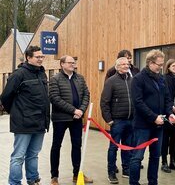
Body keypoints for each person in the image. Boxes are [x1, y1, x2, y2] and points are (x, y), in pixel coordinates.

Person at [1, 46, 50, 185]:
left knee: (33, 154)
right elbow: (5, 97)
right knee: (18, 156)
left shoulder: (42, 73)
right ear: (28, 58)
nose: (41, 59)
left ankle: (33, 179)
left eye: (42, 57)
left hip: (40, 122)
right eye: (37, 57)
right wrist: (16, 112)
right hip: (23, 123)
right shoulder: (19, 74)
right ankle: (15, 182)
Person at [129, 50, 175, 185]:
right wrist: (153, 117)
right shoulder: (138, 79)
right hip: (142, 126)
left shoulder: (161, 78)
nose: (161, 67)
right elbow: (138, 102)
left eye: (162, 64)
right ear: (150, 63)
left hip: (159, 125)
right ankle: (134, 182)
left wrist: (170, 113)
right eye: (159, 64)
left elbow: (167, 98)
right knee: (137, 157)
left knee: (155, 156)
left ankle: (153, 182)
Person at [49, 55, 92, 185]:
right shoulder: (55, 79)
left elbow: (86, 95)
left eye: (74, 62)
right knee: (56, 146)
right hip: (60, 119)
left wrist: (81, 111)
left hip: (77, 119)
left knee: (77, 146)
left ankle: (76, 174)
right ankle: (54, 177)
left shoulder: (80, 78)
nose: (73, 64)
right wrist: (74, 110)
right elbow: (55, 98)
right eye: (70, 62)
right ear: (62, 64)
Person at [100, 57, 134, 184]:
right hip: (117, 121)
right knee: (113, 148)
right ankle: (111, 173)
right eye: (123, 64)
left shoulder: (132, 80)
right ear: (117, 66)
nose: (126, 66)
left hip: (131, 120)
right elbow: (104, 102)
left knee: (128, 147)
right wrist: (108, 119)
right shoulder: (111, 81)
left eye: (127, 64)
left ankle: (126, 170)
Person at [161, 59, 175, 173]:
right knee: (165, 139)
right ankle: (164, 162)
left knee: (174, 138)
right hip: (167, 111)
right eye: (173, 65)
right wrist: (171, 107)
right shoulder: (164, 78)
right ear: (168, 67)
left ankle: (172, 161)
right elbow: (166, 95)